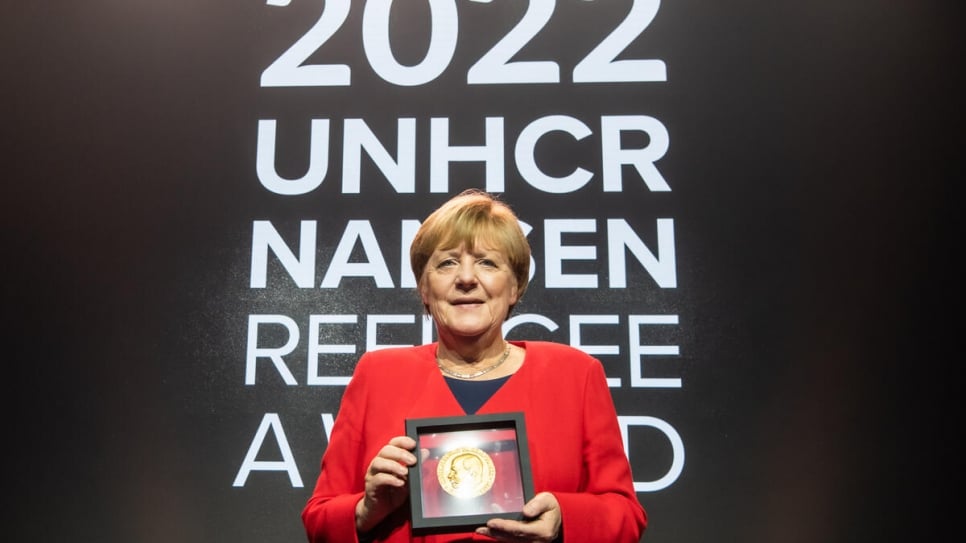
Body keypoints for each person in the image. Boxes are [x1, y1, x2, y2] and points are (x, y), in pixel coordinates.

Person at [302, 189, 646, 542]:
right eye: (447, 262)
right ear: (424, 288)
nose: (466, 278)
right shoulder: (378, 374)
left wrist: (564, 519)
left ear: (515, 287)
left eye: (488, 262)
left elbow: (625, 515)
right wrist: (365, 509)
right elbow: (319, 518)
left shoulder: (574, 374)